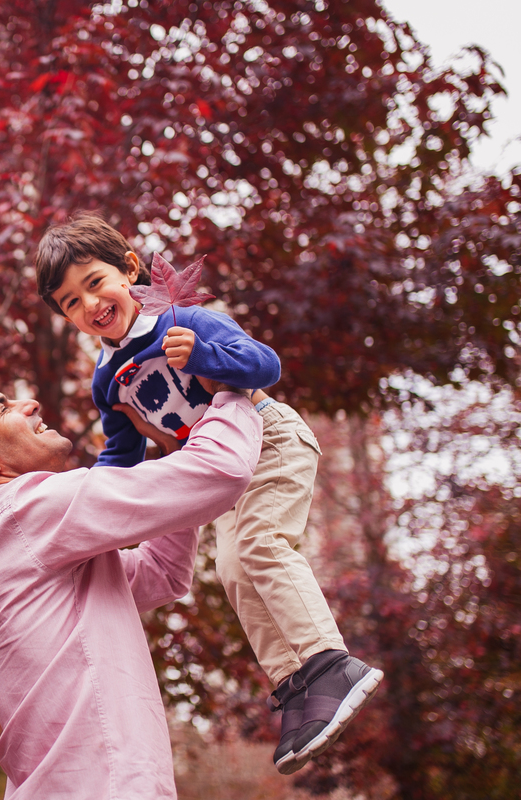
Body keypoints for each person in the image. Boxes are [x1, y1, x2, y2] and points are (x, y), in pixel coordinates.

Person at [34, 213, 382, 774]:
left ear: (129, 270)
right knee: (233, 568)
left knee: (260, 545)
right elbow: (121, 456)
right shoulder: (107, 378)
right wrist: (90, 511)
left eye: (94, 283)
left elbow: (264, 365)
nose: (90, 305)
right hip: (217, 472)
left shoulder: (183, 320)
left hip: (269, 439)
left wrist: (200, 354)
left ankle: (330, 663)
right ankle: (298, 685)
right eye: (71, 302)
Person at [0, 363, 261, 799]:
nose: (29, 403)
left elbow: (160, 575)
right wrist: (228, 391)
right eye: (3, 408)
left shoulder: (10, 543)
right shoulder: (22, 510)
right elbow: (221, 471)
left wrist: (173, 449)